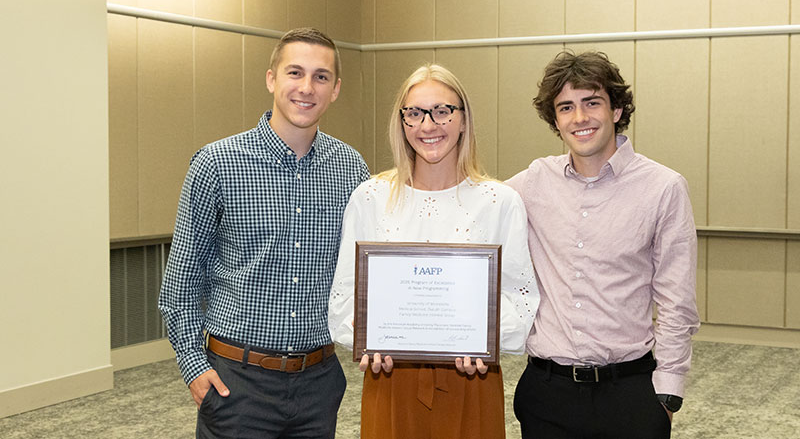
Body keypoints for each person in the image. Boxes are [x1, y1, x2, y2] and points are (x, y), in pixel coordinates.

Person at [159, 27, 369, 439]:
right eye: (295, 72)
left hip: (319, 383)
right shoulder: (217, 164)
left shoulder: (351, 169)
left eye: (321, 77)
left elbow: (363, 274)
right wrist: (193, 366)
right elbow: (180, 284)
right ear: (271, 78)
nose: (306, 87)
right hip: (237, 383)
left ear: (336, 89)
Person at [328, 64, 539, 439]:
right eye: (415, 112)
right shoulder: (370, 198)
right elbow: (346, 296)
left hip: (472, 379)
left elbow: (519, 298)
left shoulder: (499, 201)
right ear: (402, 122)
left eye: (442, 111)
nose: (428, 125)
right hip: (388, 377)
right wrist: (368, 339)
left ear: (463, 120)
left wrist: (483, 340)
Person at [507, 50, 700, 438]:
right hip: (547, 394)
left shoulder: (663, 188)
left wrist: (668, 393)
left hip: (630, 394)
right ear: (555, 120)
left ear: (616, 110)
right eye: (566, 107)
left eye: (591, 102)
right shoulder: (529, 184)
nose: (579, 118)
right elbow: (468, 208)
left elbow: (676, 301)